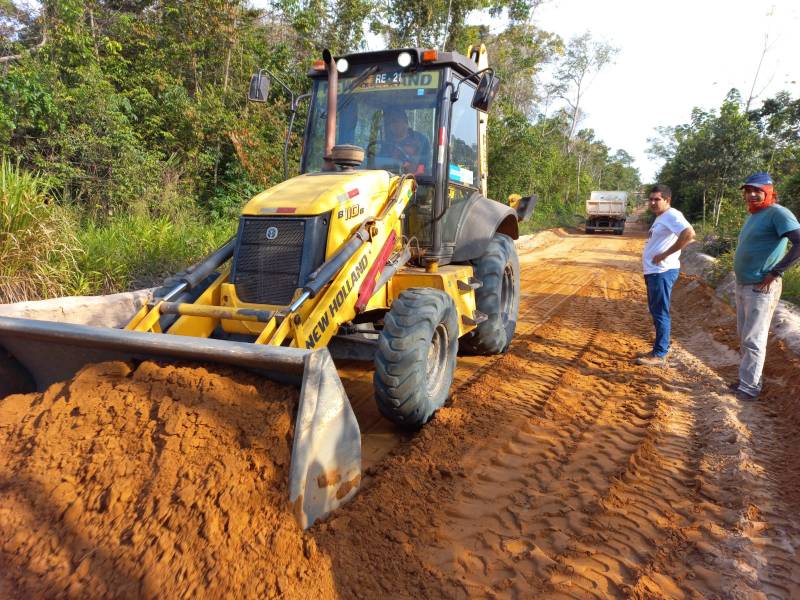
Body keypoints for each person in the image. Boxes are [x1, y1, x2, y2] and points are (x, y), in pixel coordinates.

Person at [731, 172, 800, 400]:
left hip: (761, 287)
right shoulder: (756, 215)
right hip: (744, 284)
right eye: (748, 190)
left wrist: (776, 271)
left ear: (769, 191)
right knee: (744, 336)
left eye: (756, 190)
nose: (751, 194)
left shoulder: (778, 213)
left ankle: (749, 389)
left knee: (754, 338)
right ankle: (747, 380)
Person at [636, 184, 696, 367]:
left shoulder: (672, 215)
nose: (653, 202)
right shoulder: (662, 217)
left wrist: (665, 254)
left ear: (667, 200)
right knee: (656, 311)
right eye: (651, 199)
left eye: (657, 199)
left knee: (660, 312)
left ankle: (660, 353)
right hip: (655, 272)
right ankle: (660, 347)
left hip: (662, 271)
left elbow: (689, 234)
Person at [383, 109, 430, 175]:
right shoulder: (387, 143)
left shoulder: (421, 140)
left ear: (405, 122)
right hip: (389, 179)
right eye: (390, 122)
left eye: (395, 121)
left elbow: (423, 167)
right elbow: (380, 162)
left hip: (415, 181)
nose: (392, 125)